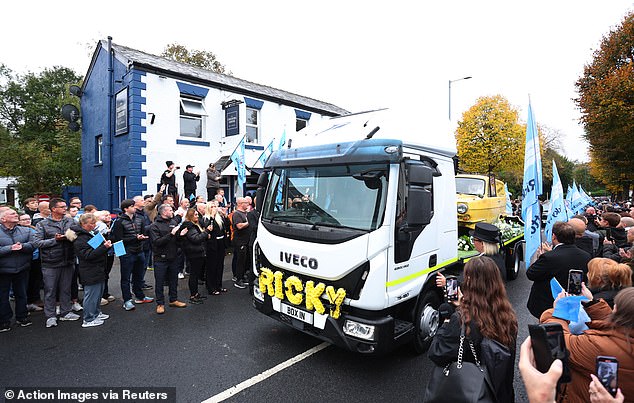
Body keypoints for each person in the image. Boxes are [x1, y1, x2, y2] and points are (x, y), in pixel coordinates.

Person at [428, 256, 518, 402]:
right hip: (500, 392)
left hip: (474, 392)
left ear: (469, 281)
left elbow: (436, 353)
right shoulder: (507, 316)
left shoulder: (462, 320)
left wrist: (447, 319)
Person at [540, 287, 634, 402]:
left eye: (615, 306)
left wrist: (558, 313)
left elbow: (558, 340)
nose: (613, 308)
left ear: (621, 315)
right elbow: (618, 328)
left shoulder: (599, 347)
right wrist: (591, 303)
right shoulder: (626, 338)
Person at [526, 221, 592, 319]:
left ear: (553, 236)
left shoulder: (548, 257)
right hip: (574, 303)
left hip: (549, 305)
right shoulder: (586, 256)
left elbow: (531, 274)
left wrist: (538, 257)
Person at [33, 198, 79, 328]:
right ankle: (51, 316)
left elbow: (79, 234)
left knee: (66, 289)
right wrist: (55, 240)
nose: (65, 209)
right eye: (62, 207)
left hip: (68, 260)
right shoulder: (42, 224)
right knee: (50, 290)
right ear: (53, 209)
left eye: (65, 206)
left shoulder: (70, 221)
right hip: (50, 262)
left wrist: (71, 237)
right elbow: (38, 243)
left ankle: (66, 312)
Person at [110, 199, 153, 311]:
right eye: (132, 206)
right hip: (127, 253)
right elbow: (118, 239)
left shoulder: (140, 219)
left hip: (139, 250)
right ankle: (127, 300)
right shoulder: (119, 222)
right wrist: (135, 238)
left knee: (138, 276)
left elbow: (143, 232)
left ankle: (140, 296)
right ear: (126, 208)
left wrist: (142, 237)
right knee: (126, 277)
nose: (135, 208)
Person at [72, 213, 112, 328]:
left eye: (95, 223)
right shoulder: (80, 238)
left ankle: (96, 313)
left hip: (98, 268)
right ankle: (88, 318)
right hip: (90, 270)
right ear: (83, 224)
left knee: (98, 293)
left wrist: (104, 245)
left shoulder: (90, 234)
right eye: (91, 223)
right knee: (91, 295)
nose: (94, 225)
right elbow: (88, 255)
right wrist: (104, 247)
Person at [149, 204, 187, 314]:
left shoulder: (173, 223)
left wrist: (181, 235)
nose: (172, 212)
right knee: (160, 282)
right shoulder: (154, 226)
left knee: (173, 280)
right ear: (164, 212)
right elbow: (157, 242)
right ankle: (160, 303)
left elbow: (176, 239)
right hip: (160, 259)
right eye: (170, 210)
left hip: (173, 257)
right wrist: (171, 234)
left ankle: (173, 299)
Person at [0, 209, 35, 331]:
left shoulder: (26, 230)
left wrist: (23, 246)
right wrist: (10, 248)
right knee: (2, 296)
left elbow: (33, 244)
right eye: (12, 214)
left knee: (22, 294)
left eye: (16, 214)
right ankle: (4, 320)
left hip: (22, 268)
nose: (16, 215)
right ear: (3, 219)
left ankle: (22, 316)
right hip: (3, 270)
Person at [178, 208, 210, 304]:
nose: (197, 216)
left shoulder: (195, 225)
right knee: (194, 275)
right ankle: (193, 295)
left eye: (197, 214)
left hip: (197, 252)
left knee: (195, 275)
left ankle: (195, 293)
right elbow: (195, 239)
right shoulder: (189, 226)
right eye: (195, 215)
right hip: (194, 253)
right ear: (190, 216)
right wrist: (206, 232)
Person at [18, 214, 43, 312]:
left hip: (37, 258)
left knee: (35, 280)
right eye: (24, 219)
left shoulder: (33, 228)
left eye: (28, 219)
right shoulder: (19, 231)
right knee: (28, 282)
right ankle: (29, 303)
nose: (27, 221)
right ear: (19, 221)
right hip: (27, 258)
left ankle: (35, 299)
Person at [204, 201, 228, 295]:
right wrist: (212, 217)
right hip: (212, 244)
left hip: (220, 243)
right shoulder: (207, 218)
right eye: (212, 206)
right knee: (212, 266)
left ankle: (219, 285)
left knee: (220, 265)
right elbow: (210, 228)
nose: (214, 208)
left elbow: (226, 225)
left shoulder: (219, 217)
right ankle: (211, 287)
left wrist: (224, 215)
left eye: (215, 206)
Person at [231, 197, 251, 289]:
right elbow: (239, 226)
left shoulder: (246, 213)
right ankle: (238, 279)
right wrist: (248, 222)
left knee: (245, 260)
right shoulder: (237, 214)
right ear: (240, 204)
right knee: (240, 260)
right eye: (245, 203)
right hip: (240, 241)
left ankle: (243, 276)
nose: (247, 204)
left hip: (246, 240)